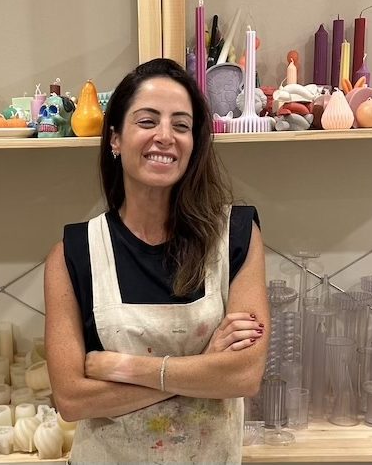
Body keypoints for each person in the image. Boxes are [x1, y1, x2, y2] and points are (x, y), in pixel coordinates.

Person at [44, 58, 269, 464]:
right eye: (147, 121)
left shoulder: (236, 235)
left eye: (181, 125)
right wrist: (204, 368)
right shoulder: (74, 253)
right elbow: (72, 400)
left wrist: (121, 368)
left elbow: (243, 375)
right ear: (115, 139)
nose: (165, 136)